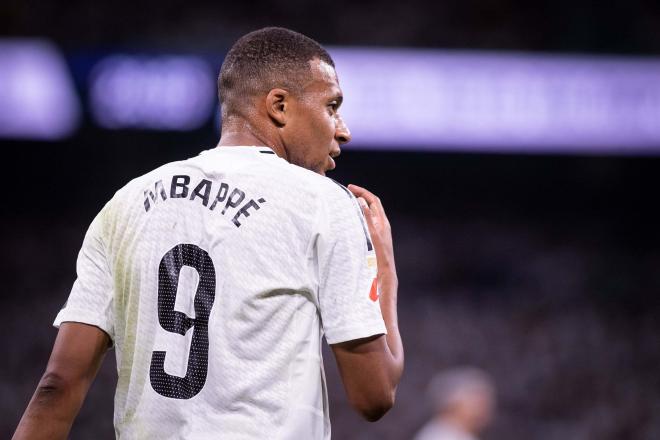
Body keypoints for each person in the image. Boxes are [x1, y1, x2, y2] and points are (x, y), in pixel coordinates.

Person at [13, 27, 403, 439]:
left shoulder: (124, 205)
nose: (342, 130)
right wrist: (386, 273)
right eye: (332, 106)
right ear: (280, 106)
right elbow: (374, 394)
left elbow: (57, 387)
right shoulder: (323, 202)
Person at [414, 367, 496, 440]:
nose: (483, 409)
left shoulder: (460, 434)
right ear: (454, 403)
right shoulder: (439, 435)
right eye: (478, 402)